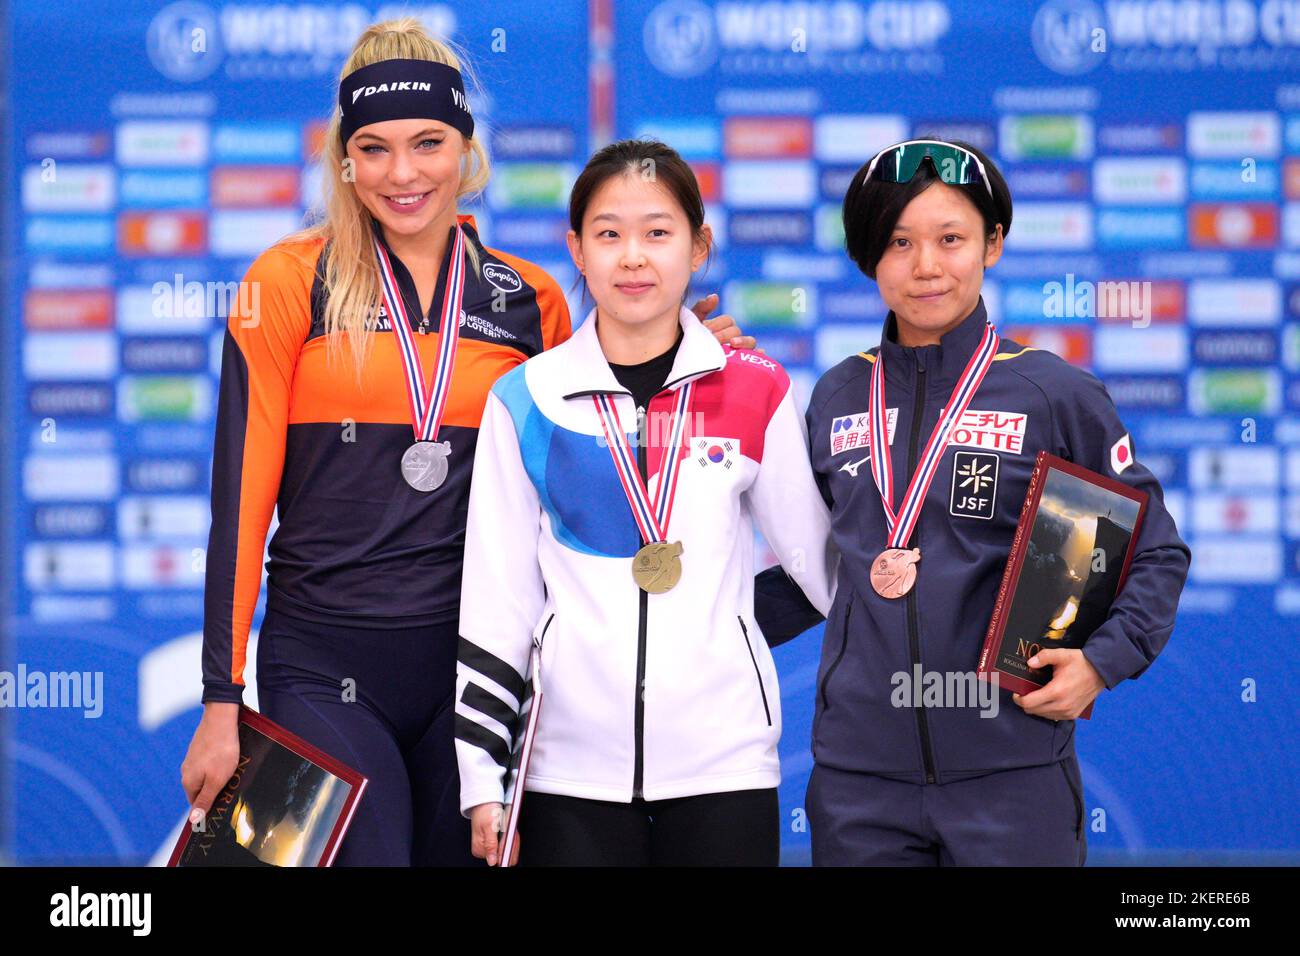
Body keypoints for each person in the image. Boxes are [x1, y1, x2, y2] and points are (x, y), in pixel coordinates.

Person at [178, 19, 753, 867]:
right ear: (344, 159)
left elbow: (596, 468)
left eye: (427, 143)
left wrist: (683, 352)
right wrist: (220, 702)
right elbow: (240, 505)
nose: (402, 173)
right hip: (322, 664)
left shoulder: (531, 302)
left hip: (478, 679)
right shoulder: (287, 282)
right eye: (372, 149)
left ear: (466, 148)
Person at [760, 138, 1191, 865]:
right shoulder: (836, 395)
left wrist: (1101, 662)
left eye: (950, 239)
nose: (926, 266)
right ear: (870, 258)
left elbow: (1155, 552)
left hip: (1011, 775)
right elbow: (816, 575)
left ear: (992, 243)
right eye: (899, 243)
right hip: (859, 785)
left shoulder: (1053, 393)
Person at [454, 139, 837, 866]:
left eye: (658, 233)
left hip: (725, 763)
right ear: (577, 249)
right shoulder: (527, 398)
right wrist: (483, 779)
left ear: (699, 248)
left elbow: (821, 567)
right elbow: (496, 600)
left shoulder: (754, 388)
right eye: (609, 234)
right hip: (566, 771)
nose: (633, 256)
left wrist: (728, 633)